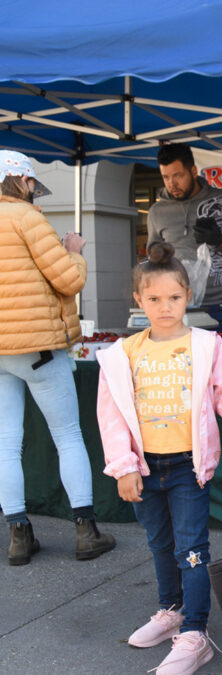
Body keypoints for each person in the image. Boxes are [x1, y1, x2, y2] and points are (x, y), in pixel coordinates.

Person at [97, 242, 222, 675]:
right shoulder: (121, 354)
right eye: (155, 299)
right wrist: (123, 466)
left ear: (188, 296)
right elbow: (112, 415)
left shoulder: (205, 344)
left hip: (186, 468)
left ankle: (195, 633)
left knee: (192, 550)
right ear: (138, 300)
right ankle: (171, 610)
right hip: (144, 469)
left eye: (174, 298)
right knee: (160, 545)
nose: (165, 307)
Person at [0, 150, 116, 566]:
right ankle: (86, 530)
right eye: (32, 183)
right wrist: (74, 250)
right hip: (39, 349)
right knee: (67, 435)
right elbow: (69, 279)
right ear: (21, 181)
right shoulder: (29, 219)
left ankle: (18, 535)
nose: (35, 189)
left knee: (5, 444)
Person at [147, 143, 222, 337]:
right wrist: (157, 254)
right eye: (166, 177)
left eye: (178, 175)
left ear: (193, 171)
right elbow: (152, 253)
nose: (172, 183)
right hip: (179, 308)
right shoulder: (157, 212)